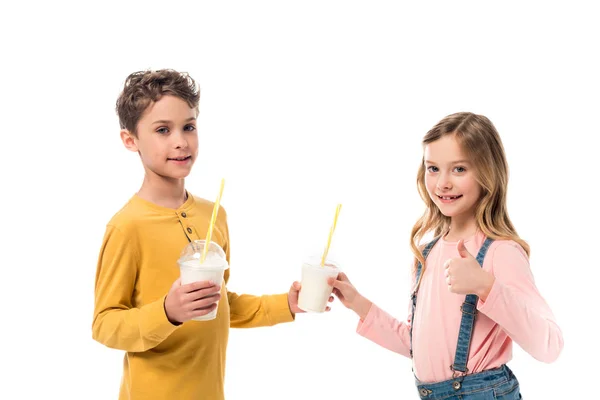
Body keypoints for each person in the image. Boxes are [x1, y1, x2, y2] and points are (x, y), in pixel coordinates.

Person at [92, 69, 329, 399]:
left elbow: (219, 303)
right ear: (130, 140)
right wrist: (168, 312)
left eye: (188, 126)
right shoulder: (127, 226)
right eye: (163, 130)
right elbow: (105, 325)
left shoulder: (213, 215)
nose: (181, 141)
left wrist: (285, 305)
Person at [329, 112, 563, 399]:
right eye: (433, 168)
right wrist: (357, 303)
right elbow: (417, 346)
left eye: (459, 169)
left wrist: (486, 287)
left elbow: (550, 345)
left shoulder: (501, 252)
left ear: (488, 173)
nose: (442, 184)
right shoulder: (427, 253)